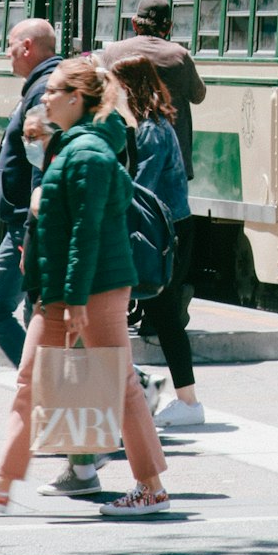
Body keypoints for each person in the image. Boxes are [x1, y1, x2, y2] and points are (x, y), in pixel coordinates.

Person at [0, 57, 170, 516]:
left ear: (76, 98)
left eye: (54, 91)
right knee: (33, 380)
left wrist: (76, 297)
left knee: (117, 383)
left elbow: (86, 231)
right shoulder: (76, 146)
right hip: (73, 290)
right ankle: (1, 484)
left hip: (90, 289)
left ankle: (150, 488)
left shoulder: (86, 152)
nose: (44, 96)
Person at [102, 0, 206, 335]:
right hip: (172, 163)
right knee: (166, 233)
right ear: (169, 27)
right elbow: (198, 94)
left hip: (125, 155)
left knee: (135, 231)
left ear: (134, 23)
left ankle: (148, 301)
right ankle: (164, 300)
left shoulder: (113, 52)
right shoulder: (178, 55)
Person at [110, 55, 204, 429]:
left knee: (161, 315)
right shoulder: (160, 122)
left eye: (117, 86)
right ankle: (180, 396)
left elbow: (141, 190)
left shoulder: (150, 130)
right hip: (176, 226)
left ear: (129, 86)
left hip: (165, 231)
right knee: (163, 317)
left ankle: (179, 397)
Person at [0, 19, 61, 366]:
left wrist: (31, 229)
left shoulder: (42, 91)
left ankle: (41, 384)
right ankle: (45, 388)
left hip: (28, 223)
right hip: (26, 222)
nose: (7, 53)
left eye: (10, 45)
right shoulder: (41, 86)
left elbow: (41, 165)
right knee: (38, 314)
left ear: (27, 47)